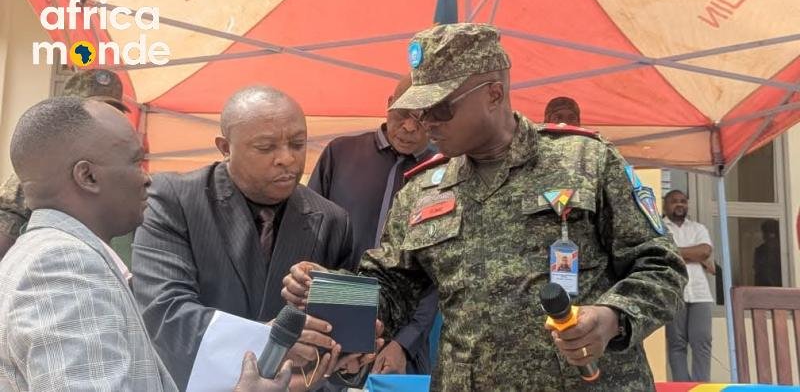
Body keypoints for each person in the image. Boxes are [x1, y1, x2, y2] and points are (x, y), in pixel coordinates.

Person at [283, 23, 687, 391]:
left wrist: (612, 317)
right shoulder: (423, 189)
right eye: (419, 109)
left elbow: (660, 267)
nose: (426, 122)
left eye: (440, 108)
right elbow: (392, 287)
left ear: (494, 93)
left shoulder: (587, 161)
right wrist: (329, 289)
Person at [0, 97, 292, 392]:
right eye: (135, 162)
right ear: (87, 176)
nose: (147, 178)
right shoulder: (65, 266)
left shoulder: (43, 257)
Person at [132, 86, 370, 391]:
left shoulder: (333, 220)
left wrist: (351, 355)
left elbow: (339, 342)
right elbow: (165, 313)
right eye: (266, 147)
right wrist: (267, 341)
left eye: (298, 144)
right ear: (225, 147)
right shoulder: (173, 200)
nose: (287, 158)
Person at [308, 74, 438, 375]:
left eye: (422, 118)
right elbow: (312, 237)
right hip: (331, 321)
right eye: (403, 113)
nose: (409, 127)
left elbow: (438, 274)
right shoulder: (340, 153)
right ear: (389, 104)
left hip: (402, 338)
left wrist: (405, 343)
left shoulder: (444, 172)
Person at [0, 69, 129, 261]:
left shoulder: (129, 175)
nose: (104, 123)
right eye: (91, 115)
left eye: (112, 113)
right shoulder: (38, 173)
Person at [662, 190, 714, 382]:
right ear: (665, 205)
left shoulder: (698, 228)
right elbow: (662, 253)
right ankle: (682, 387)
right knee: (677, 344)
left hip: (700, 294)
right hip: (674, 292)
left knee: (702, 342)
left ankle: (701, 387)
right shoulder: (659, 229)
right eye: (674, 201)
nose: (680, 204)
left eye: (683, 201)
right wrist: (694, 256)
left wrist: (675, 252)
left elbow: (705, 252)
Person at [753, 219, 781, 287]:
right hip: (763, 288)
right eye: (765, 233)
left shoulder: (782, 250)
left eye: (772, 233)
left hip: (780, 287)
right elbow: (757, 272)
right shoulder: (759, 251)